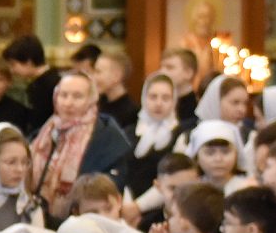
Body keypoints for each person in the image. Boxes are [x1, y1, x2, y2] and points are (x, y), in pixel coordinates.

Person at [30, 72, 129, 224]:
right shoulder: (45, 133)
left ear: (91, 100)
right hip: (38, 217)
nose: (68, 103)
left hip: (86, 222)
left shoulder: (107, 136)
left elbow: (111, 186)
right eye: (64, 95)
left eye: (77, 96)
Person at [125, 72, 188, 202]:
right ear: (144, 98)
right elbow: (122, 172)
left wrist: (138, 207)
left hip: (163, 204)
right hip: (126, 204)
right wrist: (128, 205)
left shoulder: (180, 134)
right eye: (153, 97)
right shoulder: (130, 132)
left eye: (165, 98)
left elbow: (176, 178)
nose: (158, 103)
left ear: (174, 101)